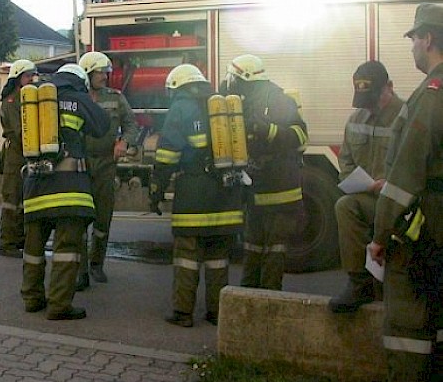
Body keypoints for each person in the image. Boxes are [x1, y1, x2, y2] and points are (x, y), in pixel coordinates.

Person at [369, 3, 443, 382]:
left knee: (408, 330)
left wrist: (380, 236)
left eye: (414, 38)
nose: (413, 45)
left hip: (426, 234)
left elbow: (405, 178)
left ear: (428, 39)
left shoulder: (430, 96)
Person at [150, 64, 244, 327]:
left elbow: (168, 154)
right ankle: (216, 312)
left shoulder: (181, 107)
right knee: (218, 258)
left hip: (194, 192)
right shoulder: (223, 104)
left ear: (176, 86)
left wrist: (157, 188)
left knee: (187, 256)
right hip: (226, 193)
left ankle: (183, 313)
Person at [20, 63, 110, 320]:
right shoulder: (78, 98)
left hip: (36, 186)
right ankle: (59, 305)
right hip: (70, 190)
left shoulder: (35, 96)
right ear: (80, 81)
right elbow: (103, 126)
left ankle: (32, 298)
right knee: (67, 249)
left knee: (33, 248)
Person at [225, 54, 309, 291]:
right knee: (252, 247)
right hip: (257, 188)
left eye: (234, 78)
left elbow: (300, 136)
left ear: (246, 77)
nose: (231, 83)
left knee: (274, 250)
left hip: (281, 190)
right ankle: (248, 297)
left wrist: (267, 130)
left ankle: (270, 302)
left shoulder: (278, 99)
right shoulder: (245, 100)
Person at [329, 61, 404, 313]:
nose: (369, 106)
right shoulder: (355, 119)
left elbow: (415, 165)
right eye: (364, 99)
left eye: (373, 98)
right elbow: (346, 161)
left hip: (401, 201)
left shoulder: (407, 117)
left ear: (389, 88)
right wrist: (364, 184)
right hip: (371, 195)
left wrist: (391, 185)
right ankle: (359, 282)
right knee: (345, 206)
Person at [75, 51, 139, 291]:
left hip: (105, 165)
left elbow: (131, 124)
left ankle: (96, 264)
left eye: (106, 72)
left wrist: (124, 142)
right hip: (80, 165)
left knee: (103, 216)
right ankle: (79, 269)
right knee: (79, 218)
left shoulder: (116, 98)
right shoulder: (76, 98)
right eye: (101, 72)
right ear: (88, 73)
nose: (105, 76)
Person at [0, 59, 37, 258]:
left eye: (33, 75)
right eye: (28, 76)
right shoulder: (12, 101)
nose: (31, 79)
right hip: (16, 154)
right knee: (12, 200)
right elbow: (21, 131)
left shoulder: (29, 98)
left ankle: (20, 240)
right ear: (17, 78)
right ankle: (7, 243)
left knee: (25, 201)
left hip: (28, 154)